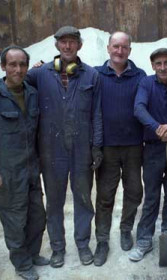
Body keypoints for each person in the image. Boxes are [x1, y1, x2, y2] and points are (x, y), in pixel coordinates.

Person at [26, 26, 103, 268]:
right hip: (51, 150)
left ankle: (82, 244)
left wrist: (97, 146)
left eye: (72, 42)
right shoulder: (39, 75)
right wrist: (31, 68)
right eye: (63, 42)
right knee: (55, 202)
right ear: (56, 45)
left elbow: (97, 114)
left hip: (82, 149)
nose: (67, 46)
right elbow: (13, 83)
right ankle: (58, 248)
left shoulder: (91, 76)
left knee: (83, 200)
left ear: (80, 45)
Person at [129, 48, 167, 262]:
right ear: (153, 66)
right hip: (154, 147)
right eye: (158, 63)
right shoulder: (146, 83)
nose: (163, 67)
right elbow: (139, 108)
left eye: (166, 63)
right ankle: (144, 238)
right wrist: (158, 127)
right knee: (152, 194)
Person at [93, 31, 146, 266]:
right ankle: (102, 240)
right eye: (115, 46)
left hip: (134, 145)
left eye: (124, 47)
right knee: (105, 196)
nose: (119, 51)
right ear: (108, 48)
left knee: (134, 191)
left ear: (130, 50)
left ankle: (126, 229)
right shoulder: (95, 74)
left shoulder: (140, 75)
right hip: (107, 147)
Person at [0, 46, 48, 280]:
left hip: (31, 168)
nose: (18, 69)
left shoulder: (31, 93)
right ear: (3, 67)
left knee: (37, 215)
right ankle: (21, 264)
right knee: (14, 220)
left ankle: (32, 254)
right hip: (8, 172)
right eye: (12, 64)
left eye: (22, 64)